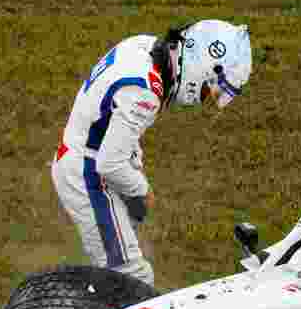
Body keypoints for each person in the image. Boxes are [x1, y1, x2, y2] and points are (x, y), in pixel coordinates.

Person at [51, 19, 253, 288]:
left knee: (119, 260)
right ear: (201, 68)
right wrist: (142, 190)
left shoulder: (144, 45)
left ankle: (92, 301)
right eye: (208, 89)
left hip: (85, 154)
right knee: (132, 277)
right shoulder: (146, 90)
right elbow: (110, 164)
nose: (204, 97)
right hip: (87, 173)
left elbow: (112, 125)